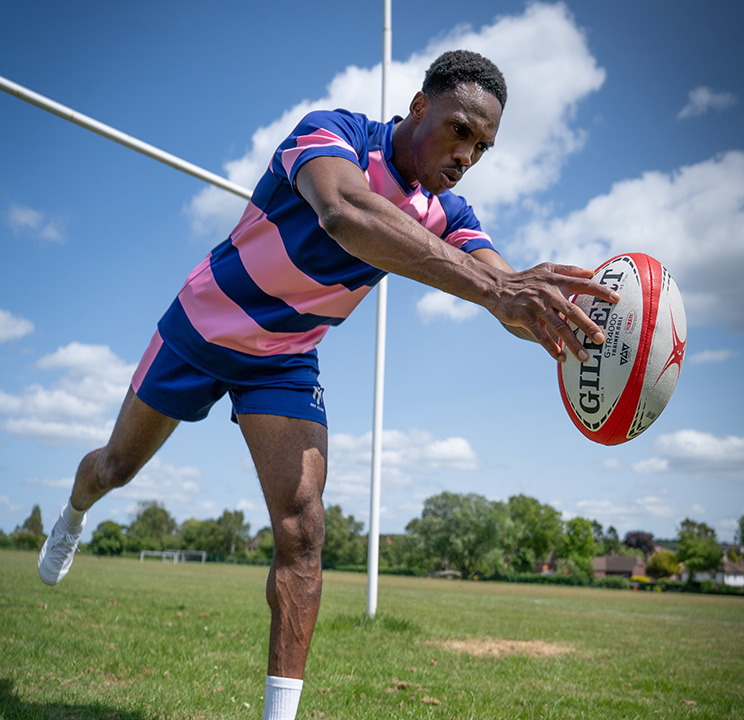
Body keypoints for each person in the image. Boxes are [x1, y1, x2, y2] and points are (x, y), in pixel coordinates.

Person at [37, 50, 618, 719]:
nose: (467, 155)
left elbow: (506, 294)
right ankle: (74, 515)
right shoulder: (332, 133)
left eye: (483, 147)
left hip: (285, 358)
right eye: (460, 130)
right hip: (203, 327)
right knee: (114, 468)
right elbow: (344, 210)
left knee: (304, 527)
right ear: (420, 106)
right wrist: (497, 287)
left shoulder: (450, 214)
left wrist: (576, 330)